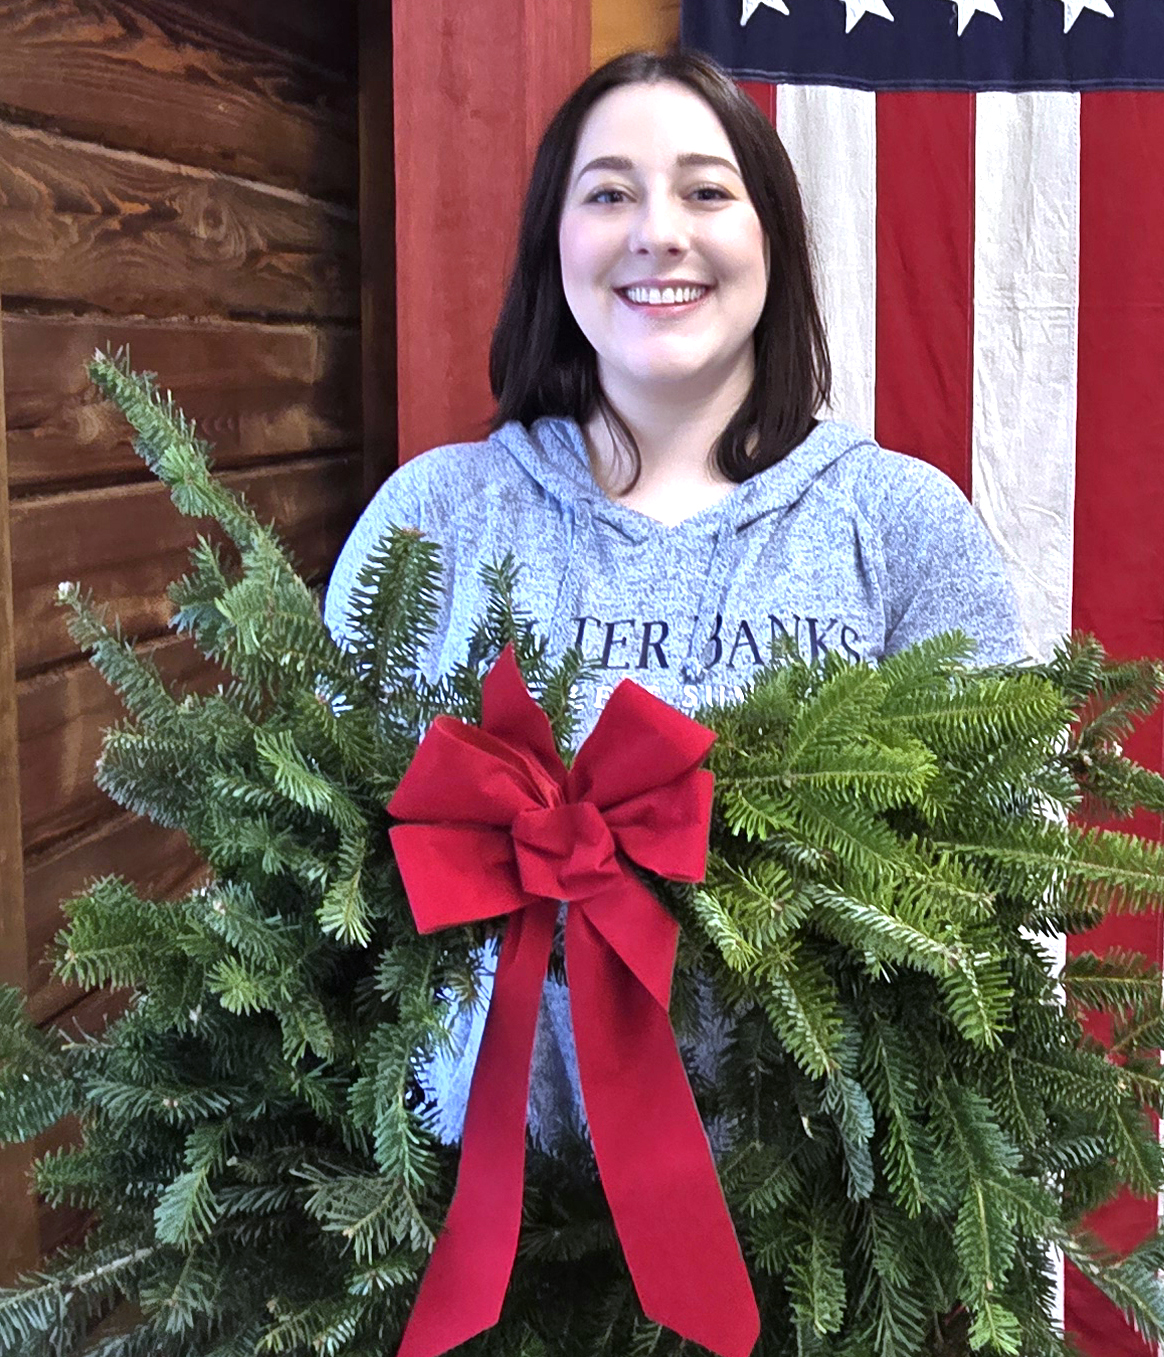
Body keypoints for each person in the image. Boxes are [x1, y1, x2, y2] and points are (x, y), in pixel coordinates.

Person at [321, 48, 1023, 1146]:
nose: (658, 232)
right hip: (475, 1236)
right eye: (608, 193)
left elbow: (1006, 898)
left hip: (817, 1256)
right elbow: (312, 879)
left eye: (705, 190)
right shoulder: (433, 519)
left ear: (771, 239)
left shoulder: (902, 526)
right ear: (554, 243)